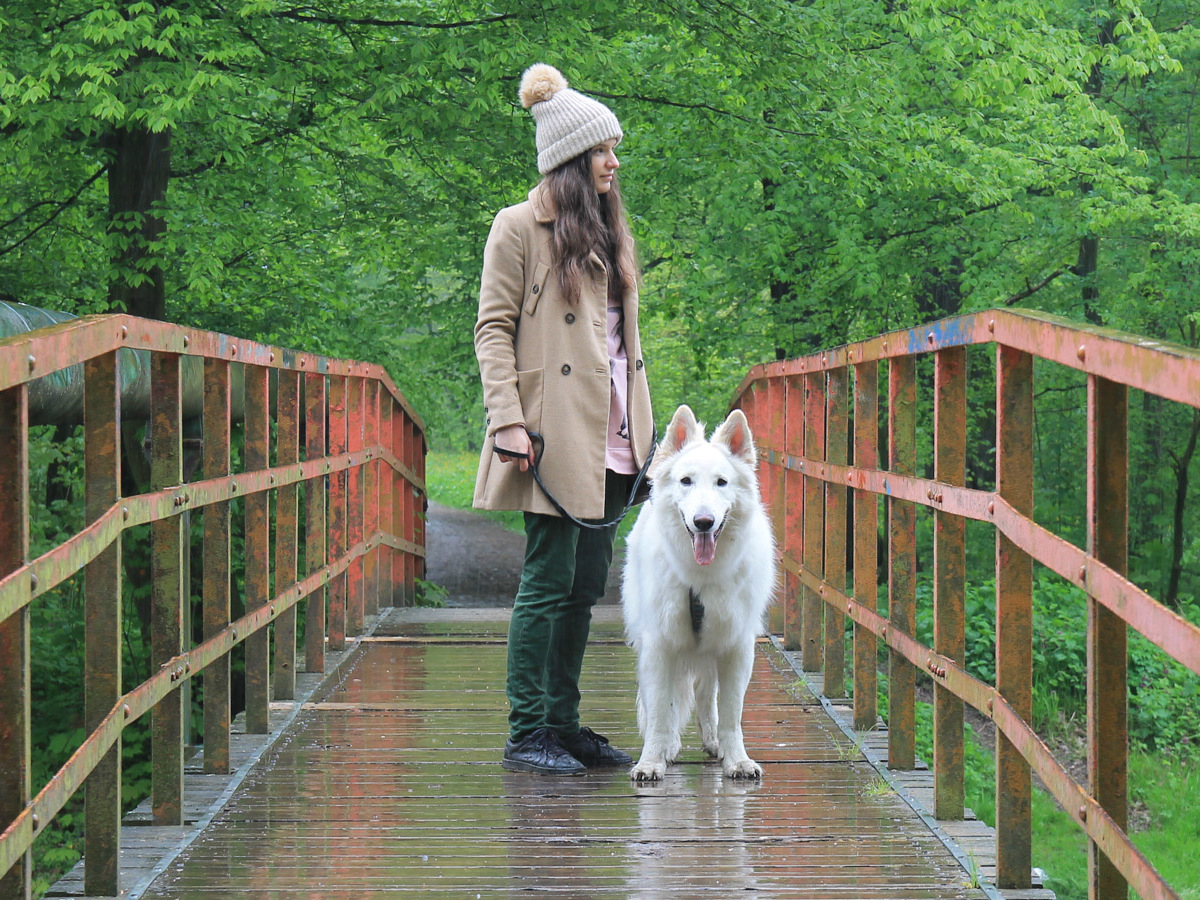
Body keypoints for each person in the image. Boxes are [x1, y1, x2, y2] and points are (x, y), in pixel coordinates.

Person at [473, 63, 654, 775]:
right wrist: (507, 421)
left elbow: (622, 347)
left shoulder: (611, 230)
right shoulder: (518, 227)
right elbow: (491, 328)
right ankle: (527, 732)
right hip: (551, 435)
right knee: (547, 581)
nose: (615, 162)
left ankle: (564, 723)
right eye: (604, 151)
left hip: (615, 434)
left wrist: (646, 439)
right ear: (573, 160)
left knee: (586, 586)